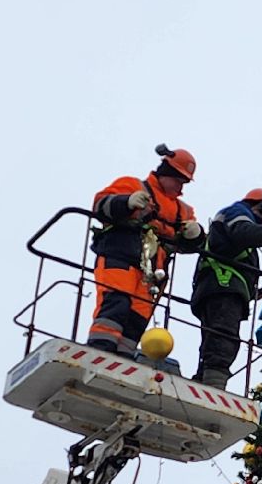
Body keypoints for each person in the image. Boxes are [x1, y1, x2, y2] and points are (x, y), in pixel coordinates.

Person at [87, 144, 204, 357]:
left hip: (152, 274)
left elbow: (191, 245)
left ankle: (123, 358)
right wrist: (126, 202)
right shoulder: (132, 185)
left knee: (137, 318)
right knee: (116, 304)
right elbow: (100, 205)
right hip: (120, 258)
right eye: (180, 181)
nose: (181, 188)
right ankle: (100, 351)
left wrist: (196, 234)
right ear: (167, 173)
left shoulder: (183, 210)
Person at [190, 188, 262, 388]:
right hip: (223, 287)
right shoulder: (237, 213)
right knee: (223, 334)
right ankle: (213, 383)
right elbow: (244, 233)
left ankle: (204, 377)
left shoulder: (236, 220)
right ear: (259, 205)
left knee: (214, 335)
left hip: (219, 288)